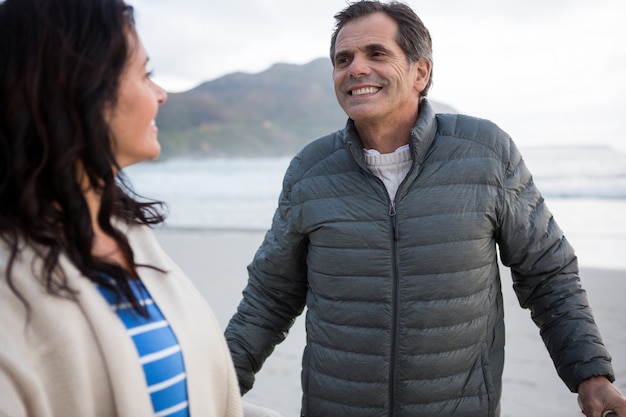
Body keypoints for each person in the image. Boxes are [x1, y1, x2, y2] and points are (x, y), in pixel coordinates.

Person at [224, 1, 626, 416]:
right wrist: (216, 383)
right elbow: (270, 295)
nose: (356, 69)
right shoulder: (310, 170)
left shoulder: (485, 153)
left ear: (421, 72)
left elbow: (548, 274)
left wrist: (590, 376)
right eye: (343, 59)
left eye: (376, 54)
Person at [0, 1, 243, 416]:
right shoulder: (11, 280)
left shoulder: (129, 233)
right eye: (146, 74)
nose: (161, 94)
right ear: (81, 86)